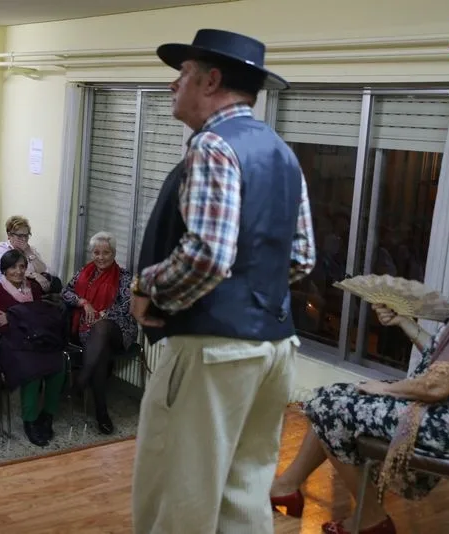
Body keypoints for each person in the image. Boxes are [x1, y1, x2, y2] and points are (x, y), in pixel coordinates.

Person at [129, 29, 315, 534]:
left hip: (213, 352)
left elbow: (208, 255)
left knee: (177, 497)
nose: (173, 85)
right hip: (276, 349)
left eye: (183, 74)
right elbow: (301, 259)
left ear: (211, 81)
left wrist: (148, 289)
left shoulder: (213, 145)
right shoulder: (282, 152)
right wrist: (251, 296)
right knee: (244, 495)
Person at [278, 200, 449, 534]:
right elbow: (442, 360)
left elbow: (436, 386)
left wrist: (385, 389)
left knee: (328, 404)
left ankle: (370, 518)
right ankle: (288, 487)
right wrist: (405, 322)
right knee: (333, 398)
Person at [61, 232, 138, 434]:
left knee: (102, 328)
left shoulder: (124, 276)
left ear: (113, 253)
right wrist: (83, 302)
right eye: (97, 252)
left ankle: (82, 379)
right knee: (100, 352)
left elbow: (127, 305)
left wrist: (103, 313)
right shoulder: (83, 272)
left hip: (119, 328)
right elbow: (66, 292)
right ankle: (101, 414)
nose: (101, 257)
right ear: (91, 253)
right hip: (88, 330)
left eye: (106, 253)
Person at [0, 249, 66, 447]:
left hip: (39, 338)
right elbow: (3, 325)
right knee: (32, 370)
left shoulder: (34, 287)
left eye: (22, 267)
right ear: (5, 270)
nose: (18, 271)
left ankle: (47, 415)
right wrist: (27, 316)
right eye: (13, 267)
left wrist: (16, 315)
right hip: (12, 342)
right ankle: (30, 420)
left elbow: (43, 317)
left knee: (59, 366)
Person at [0, 216, 52, 292]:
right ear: (10, 235)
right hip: (7, 289)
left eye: (26, 235)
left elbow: (44, 270)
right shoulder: (2, 248)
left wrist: (28, 252)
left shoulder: (30, 249)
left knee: (55, 282)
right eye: (20, 236)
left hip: (29, 289)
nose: (24, 239)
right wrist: (34, 275)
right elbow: (11, 272)